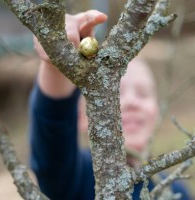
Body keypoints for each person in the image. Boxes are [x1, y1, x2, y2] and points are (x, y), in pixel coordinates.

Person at [29, 10, 191, 200]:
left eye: (142, 93)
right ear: (81, 116)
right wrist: (54, 62)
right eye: (116, 93)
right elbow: (52, 126)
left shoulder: (175, 189)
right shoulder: (74, 176)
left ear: (156, 111)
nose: (132, 102)